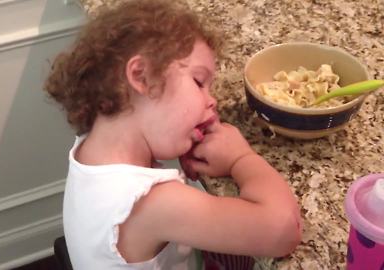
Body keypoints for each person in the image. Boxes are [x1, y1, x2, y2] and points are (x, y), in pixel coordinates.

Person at [45, 0, 302, 269]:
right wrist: (241, 158)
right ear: (142, 77)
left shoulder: (92, 148)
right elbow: (283, 231)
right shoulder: (151, 204)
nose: (211, 101)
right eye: (199, 82)